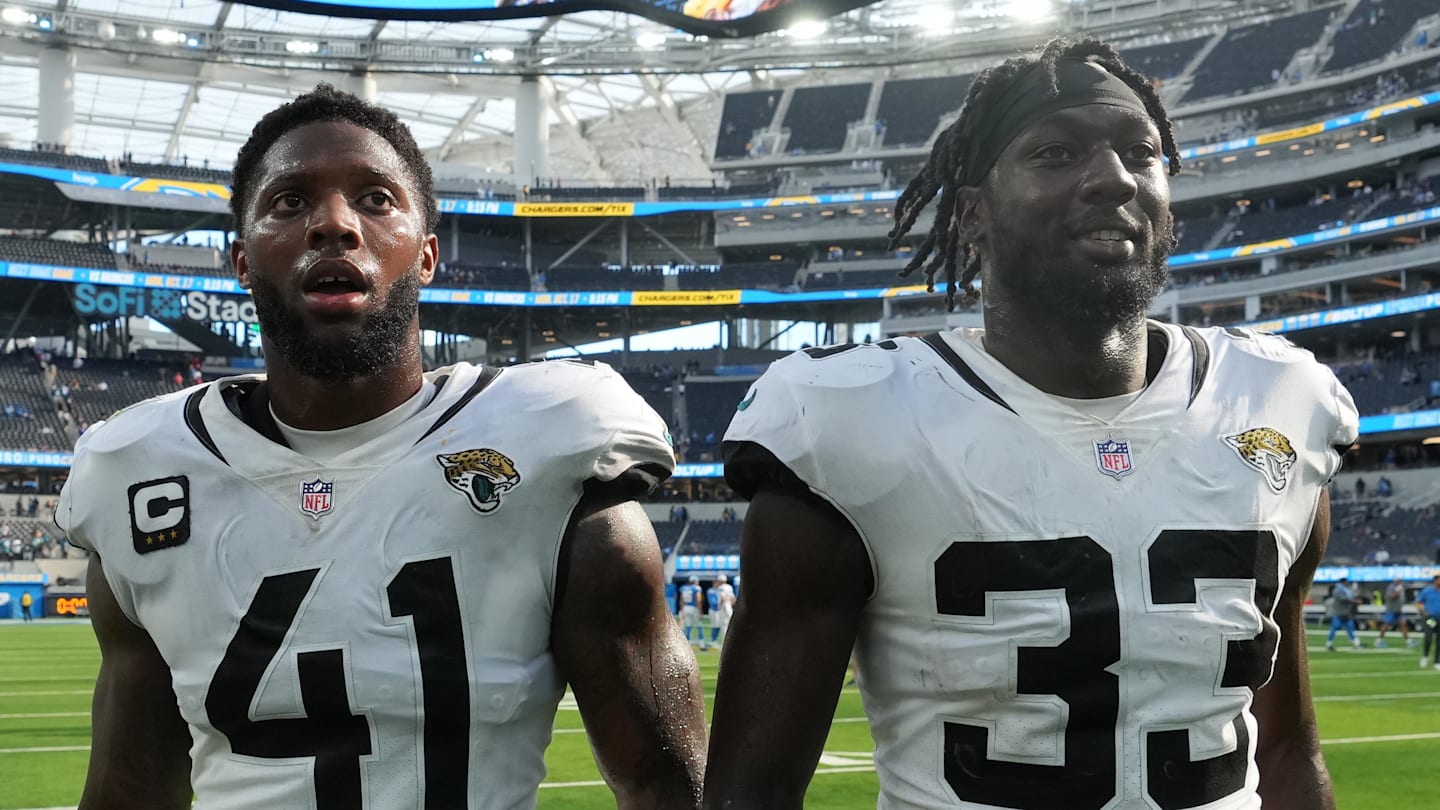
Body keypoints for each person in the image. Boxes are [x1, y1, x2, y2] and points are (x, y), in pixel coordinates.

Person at [707, 38, 1356, 810]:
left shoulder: (1278, 403)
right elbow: (750, 794)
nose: (1114, 178)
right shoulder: (852, 421)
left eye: (1141, 153)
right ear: (973, 213)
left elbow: (1285, 749)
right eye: (1055, 153)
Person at [61, 85, 705, 810]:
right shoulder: (142, 472)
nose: (334, 224)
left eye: (375, 199)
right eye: (289, 202)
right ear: (241, 260)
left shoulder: (550, 447)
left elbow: (667, 784)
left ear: (426, 255)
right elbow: (131, 791)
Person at [1376, 576, 1414, 648]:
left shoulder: (1399, 587)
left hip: (1398, 610)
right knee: (1386, 625)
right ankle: (1379, 640)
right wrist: (1397, 591)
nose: (1400, 582)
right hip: (1391, 610)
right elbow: (1392, 597)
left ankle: (1409, 641)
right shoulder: (1391, 587)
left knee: (1403, 624)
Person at [1326, 578, 1363, 651]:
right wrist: (1354, 601)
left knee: (1350, 629)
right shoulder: (1337, 590)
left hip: (1346, 613)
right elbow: (1343, 599)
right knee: (1334, 628)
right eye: (1346, 582)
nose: (1348, 583)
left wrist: (1354, 600)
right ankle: (1329, 644)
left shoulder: (1346, 590)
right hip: (1339, 613)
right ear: (1343, 582)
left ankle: (1357, 644)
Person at [1420, 575, 1440, 670]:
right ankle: (1425, 656)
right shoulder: (1427, 591)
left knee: (1439, 640)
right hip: (1430, 618)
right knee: (1429, 637)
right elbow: (1418, 602)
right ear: (1435, 581)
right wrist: (1423, 611)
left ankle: (1437, 661)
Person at [712, 573, 736, 647]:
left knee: (724, 625)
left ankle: (725, 643)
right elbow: (733, 599)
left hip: (724, 607)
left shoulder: (721, 587)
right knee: (730, 624)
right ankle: (731, 641)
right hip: (729, 607)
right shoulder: (729, 587)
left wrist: (720, 606)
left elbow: (723, 597)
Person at [680, 574, 703, 644]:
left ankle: (688, 642)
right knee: (699, 625)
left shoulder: (684, 588)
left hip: (686, 608)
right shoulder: (697, 588)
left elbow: (681, 600)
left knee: (688, 626)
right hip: (694, 608)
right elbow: (698, 600)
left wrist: (682, 610)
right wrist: (700, 611)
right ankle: (702, 643)